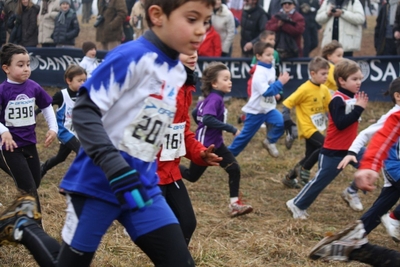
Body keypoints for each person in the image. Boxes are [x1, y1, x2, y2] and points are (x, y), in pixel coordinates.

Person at [0, 1, 214, 266]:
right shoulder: (131, 56)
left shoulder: (175, 69)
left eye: (206, 21)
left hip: (141, 188)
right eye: (192, 19)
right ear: (157, 16)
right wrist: (115, 166)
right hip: (98, 185)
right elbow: (85, 112)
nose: (201, 31)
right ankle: (24, 225)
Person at [309, 109, 400, 266]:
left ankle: (353, 243)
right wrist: (369, 164)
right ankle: (356, 244)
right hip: (394, 166)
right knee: (384, 202)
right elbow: (384, 132)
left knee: (382, 203)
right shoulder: (394, 114)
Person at [286, 59, 368, 220]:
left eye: (360, 78)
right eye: (354, 79)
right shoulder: (337, 99)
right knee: (320, 182)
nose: (359, 82)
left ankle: (351, 192)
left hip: (352, 148)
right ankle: (296, 203)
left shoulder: (356, 96)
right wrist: (359, 108)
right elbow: (341, 123)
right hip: (334, 152)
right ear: (342, 81)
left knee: (370, 165)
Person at [158, 52, 221, 245]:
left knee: (187, 223)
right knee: (158, 230)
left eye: (195, 50)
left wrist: (200, 153)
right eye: (187, 50)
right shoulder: (162, 86)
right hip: (150, 173)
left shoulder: (186, 87)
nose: (193, 55)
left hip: (170, 171)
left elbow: (182, 132)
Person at [180, 62, 253, 217]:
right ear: (214, 83)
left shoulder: (212, 98)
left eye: (230, 79)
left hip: (216, 144)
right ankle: (170, 167)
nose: (230, 82)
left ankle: (235, 205)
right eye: (225, 79)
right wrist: (231, 128)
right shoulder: (215, 99)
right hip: (206, 146)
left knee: (234, 168)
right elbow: (206, 119)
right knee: (192, 176)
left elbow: (196, 112)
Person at [337, 77, 400, 237]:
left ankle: (353, 238)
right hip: (394, 166)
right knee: (385, 209)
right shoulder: (393, 116)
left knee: (380, 207)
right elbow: (365, 134)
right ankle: (395, 219)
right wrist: (352, 152)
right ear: (398, 96)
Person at [0, 43, 57, 213]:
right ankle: (35, 227)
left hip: (29, 143)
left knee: (35, 181)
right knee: (29, 189)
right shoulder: (2, 90)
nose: (26, 68)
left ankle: (18, 214)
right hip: (10, 147)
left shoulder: (34, 87)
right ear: (6, 68)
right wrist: (4, 131)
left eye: (27, 64)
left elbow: (47, 106)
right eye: (20, 65)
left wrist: (53, 128)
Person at [228, 42, 290, 158]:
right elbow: (266, 92)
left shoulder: (270, 67)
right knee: (244, 138)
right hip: (256, 111)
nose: (271, 57)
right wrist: (280, 83)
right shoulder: (259, 73)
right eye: (268, 55)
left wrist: (275, 93)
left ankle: (269, 141)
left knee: (281, 123)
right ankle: (228, 155)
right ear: (258, 56)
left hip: (268, 109)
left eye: (272, 55)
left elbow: (270, 85)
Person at [281, 56, 331, 189]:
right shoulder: (304, 89)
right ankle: (304, 168)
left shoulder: (324, 89)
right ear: (313, 73)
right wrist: (288, 121)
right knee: (325, 146)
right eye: (323, 74)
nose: (326, 76)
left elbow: (328, 110)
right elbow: (287, 104)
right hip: (307, 128)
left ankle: (289, 178)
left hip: (318, 128)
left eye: (327, 73)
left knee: (310, 155)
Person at [40, 65, 87, 178]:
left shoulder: (84, 94)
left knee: (61, 157)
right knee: (81, 151)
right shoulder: (61, 95)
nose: (83, 83)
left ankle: (43, 168)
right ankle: (77, 178)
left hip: (77, 132)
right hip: (64, 131)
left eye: (84, 80)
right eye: (79, 80)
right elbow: (46, 105)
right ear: (68, 81)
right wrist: (35, 113)